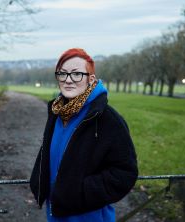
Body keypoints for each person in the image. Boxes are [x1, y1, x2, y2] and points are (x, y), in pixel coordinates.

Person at [30, 48, 138, 222]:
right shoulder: (57, 112)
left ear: (91, 79)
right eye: (62, 74)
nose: (68, 80)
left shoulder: (107, 119)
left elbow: (125, 173)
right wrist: (39, 183)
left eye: (77, 74)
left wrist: (79, 192)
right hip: (55, 214)